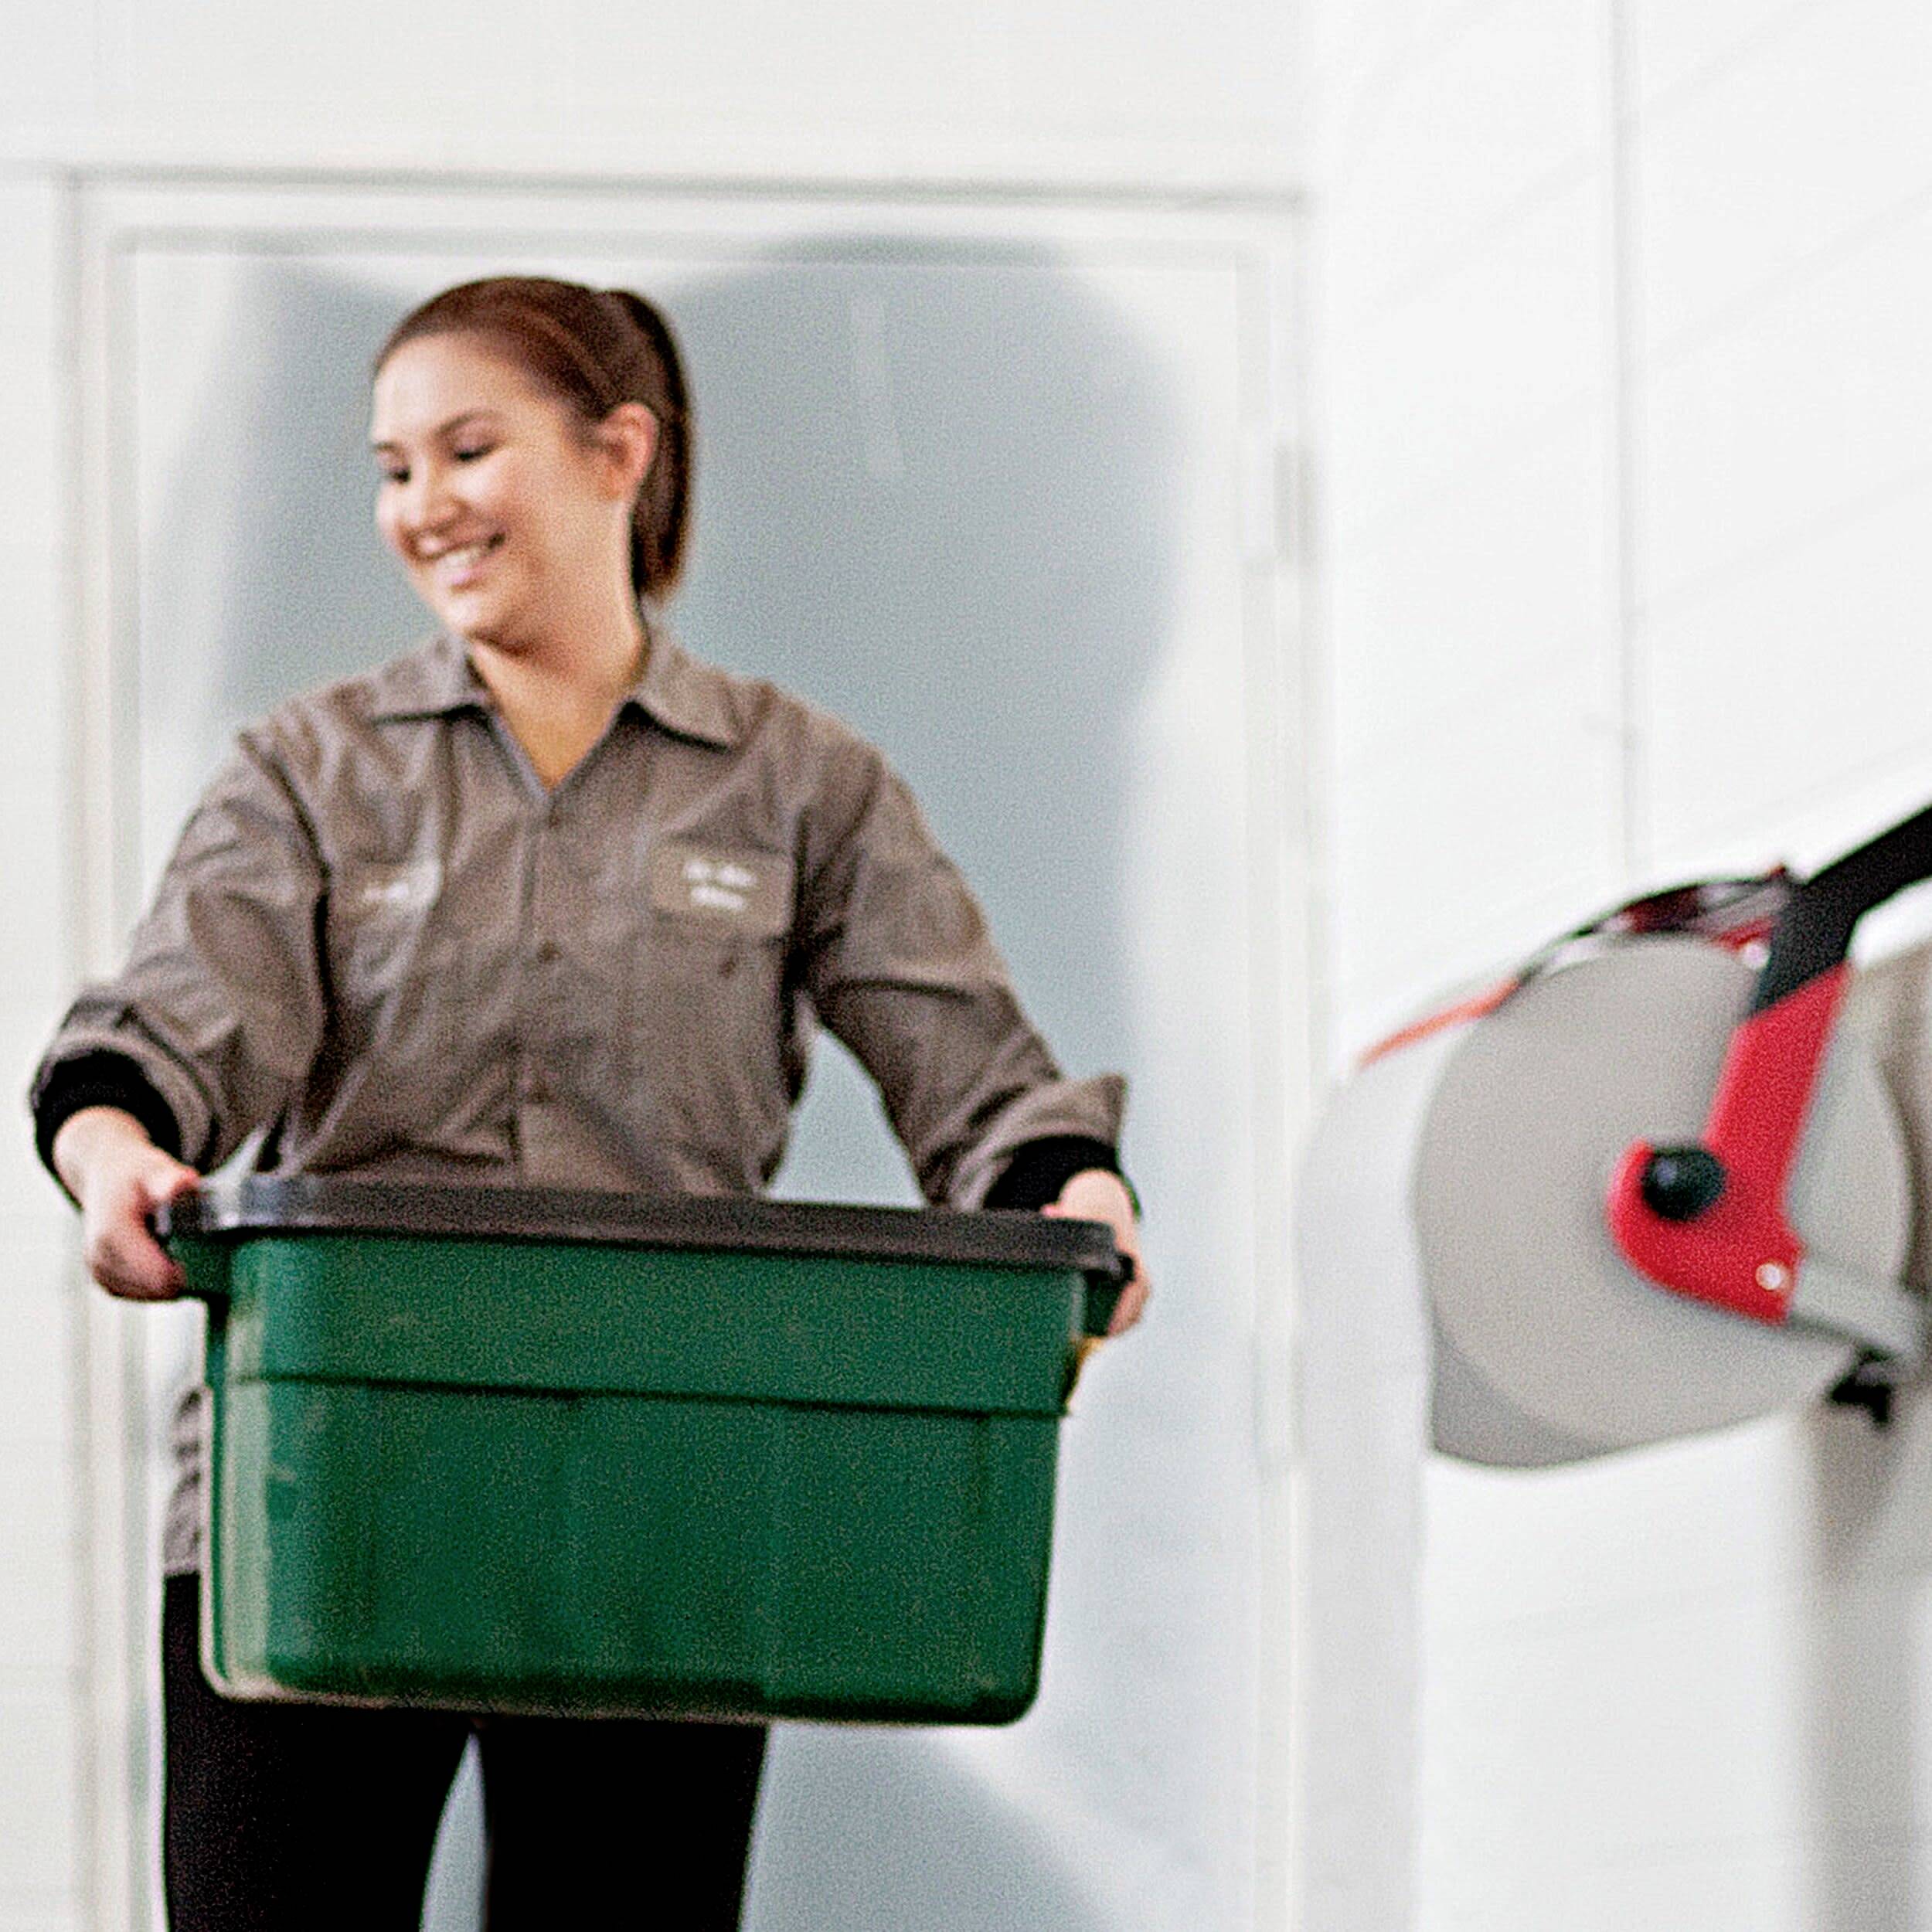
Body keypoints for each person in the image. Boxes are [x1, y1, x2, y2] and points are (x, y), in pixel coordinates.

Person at [29, 275, 1148, 1930]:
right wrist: (114, 1148)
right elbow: (170, 1029)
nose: (422, 505)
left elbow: (977, 1074)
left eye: (467, 448)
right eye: (393, 467)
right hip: (331, 1479)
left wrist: (1075, 1196)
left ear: (619, 452)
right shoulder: (309, 771)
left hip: (661, 1493)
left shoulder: (801, 784)